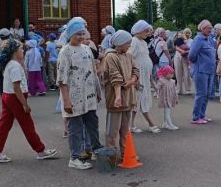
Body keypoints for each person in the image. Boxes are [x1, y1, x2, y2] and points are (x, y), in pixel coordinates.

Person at [0, 38, 58, 164]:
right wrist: (25, 104)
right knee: (27, 125)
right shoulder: (15, 66)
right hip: (16, 97)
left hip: (7, 96)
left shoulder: (10, 64)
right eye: (20, 48)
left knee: (4, 126)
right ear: (14, 51)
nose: (23, 50)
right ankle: (40, 151)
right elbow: (17, 87)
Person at [57, 18, 103, 170]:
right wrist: (66, 101)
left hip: (89, 95)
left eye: (83, 33)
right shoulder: (65, 52)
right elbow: (62, 80)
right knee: (75, 128)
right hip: (74, 97)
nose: (81, 37)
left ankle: (95, 149)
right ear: (70, 34)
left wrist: (97, 90)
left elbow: (94, 71)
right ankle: (75, 157)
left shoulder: (87, 49)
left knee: (92, 124)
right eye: (78, 34)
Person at [102, 30, 138, 159]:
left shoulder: (128, 55)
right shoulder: (111, 56)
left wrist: (133, 80)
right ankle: (110, 155)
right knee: (112, 130)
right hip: (115, 99)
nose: (129, 45)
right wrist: (117, 96)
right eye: (128, 43)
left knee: (125, 129)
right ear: (120, 43)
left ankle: (125, 152)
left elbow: (135, 69)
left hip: (128, 98)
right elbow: (114, 77)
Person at [129, 20, 161, 133]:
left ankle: (131, 125)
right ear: (140, 30)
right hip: (139, 77)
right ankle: (151, 123)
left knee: (139, 100)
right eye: (146, 31)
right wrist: (134, 77)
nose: (148, 33)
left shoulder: (142, 42)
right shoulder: (134, 42)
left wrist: (150, 77)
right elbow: (130, 59)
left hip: (145, 76)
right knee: (140, 99)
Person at [189, 19, 216, 124]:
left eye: (211, 28)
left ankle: (202, 115)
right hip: (201, 71)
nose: (210, 30)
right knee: (201, 93)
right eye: (208, 28)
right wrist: (199, 63)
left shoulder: (208, 39)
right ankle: (196, 117)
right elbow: (191, 55)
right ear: (202, 28)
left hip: (209, 71)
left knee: (207, 94)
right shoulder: (198, 39)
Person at [157, 65, 179, 130]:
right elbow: (157, 88)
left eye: (173, 73)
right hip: (165, 99)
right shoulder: (161, 81)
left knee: (166, 111)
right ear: (165, 73)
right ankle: (170, 125)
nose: (172, 75)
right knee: (167, 112)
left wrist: (176, 98)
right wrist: (153, 83)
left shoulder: (172, 81)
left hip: (170, 98)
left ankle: (165, 123)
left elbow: (175, 91)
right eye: (171, 73)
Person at [173, 29, 193, 95]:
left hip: (186, 57)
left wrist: (186, 52)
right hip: (177, 56)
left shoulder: (191, 41)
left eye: (188, 33)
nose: (187, 34)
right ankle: (179, 89)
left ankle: (188, 89)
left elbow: (192, 50)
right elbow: (174, 46)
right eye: (186, 33)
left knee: (187, 73)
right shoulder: (179, 39)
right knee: (178, 73)